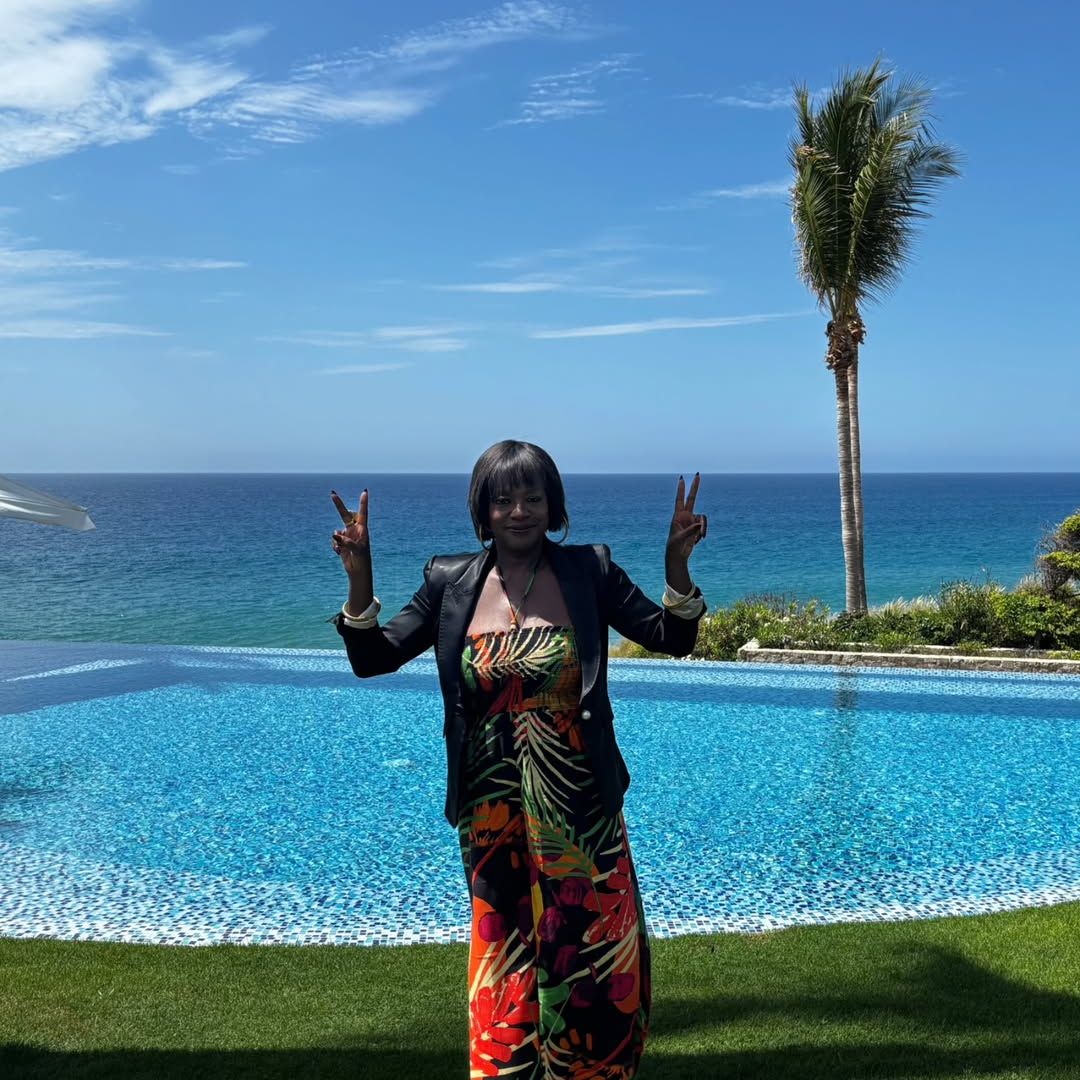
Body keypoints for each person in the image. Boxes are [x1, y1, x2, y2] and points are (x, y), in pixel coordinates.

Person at [330, 440, 706, 1080]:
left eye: (533, 497)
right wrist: (359, 577)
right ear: (483, 510)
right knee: (504, 951)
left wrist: (676, 566)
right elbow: (374, 657)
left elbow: (672, 637)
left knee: (587, 948)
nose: (520, 511)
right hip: (491, 811)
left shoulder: (590, 571)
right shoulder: (449, 583)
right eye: (503, 499)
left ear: (552, 504)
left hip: (579, 806)